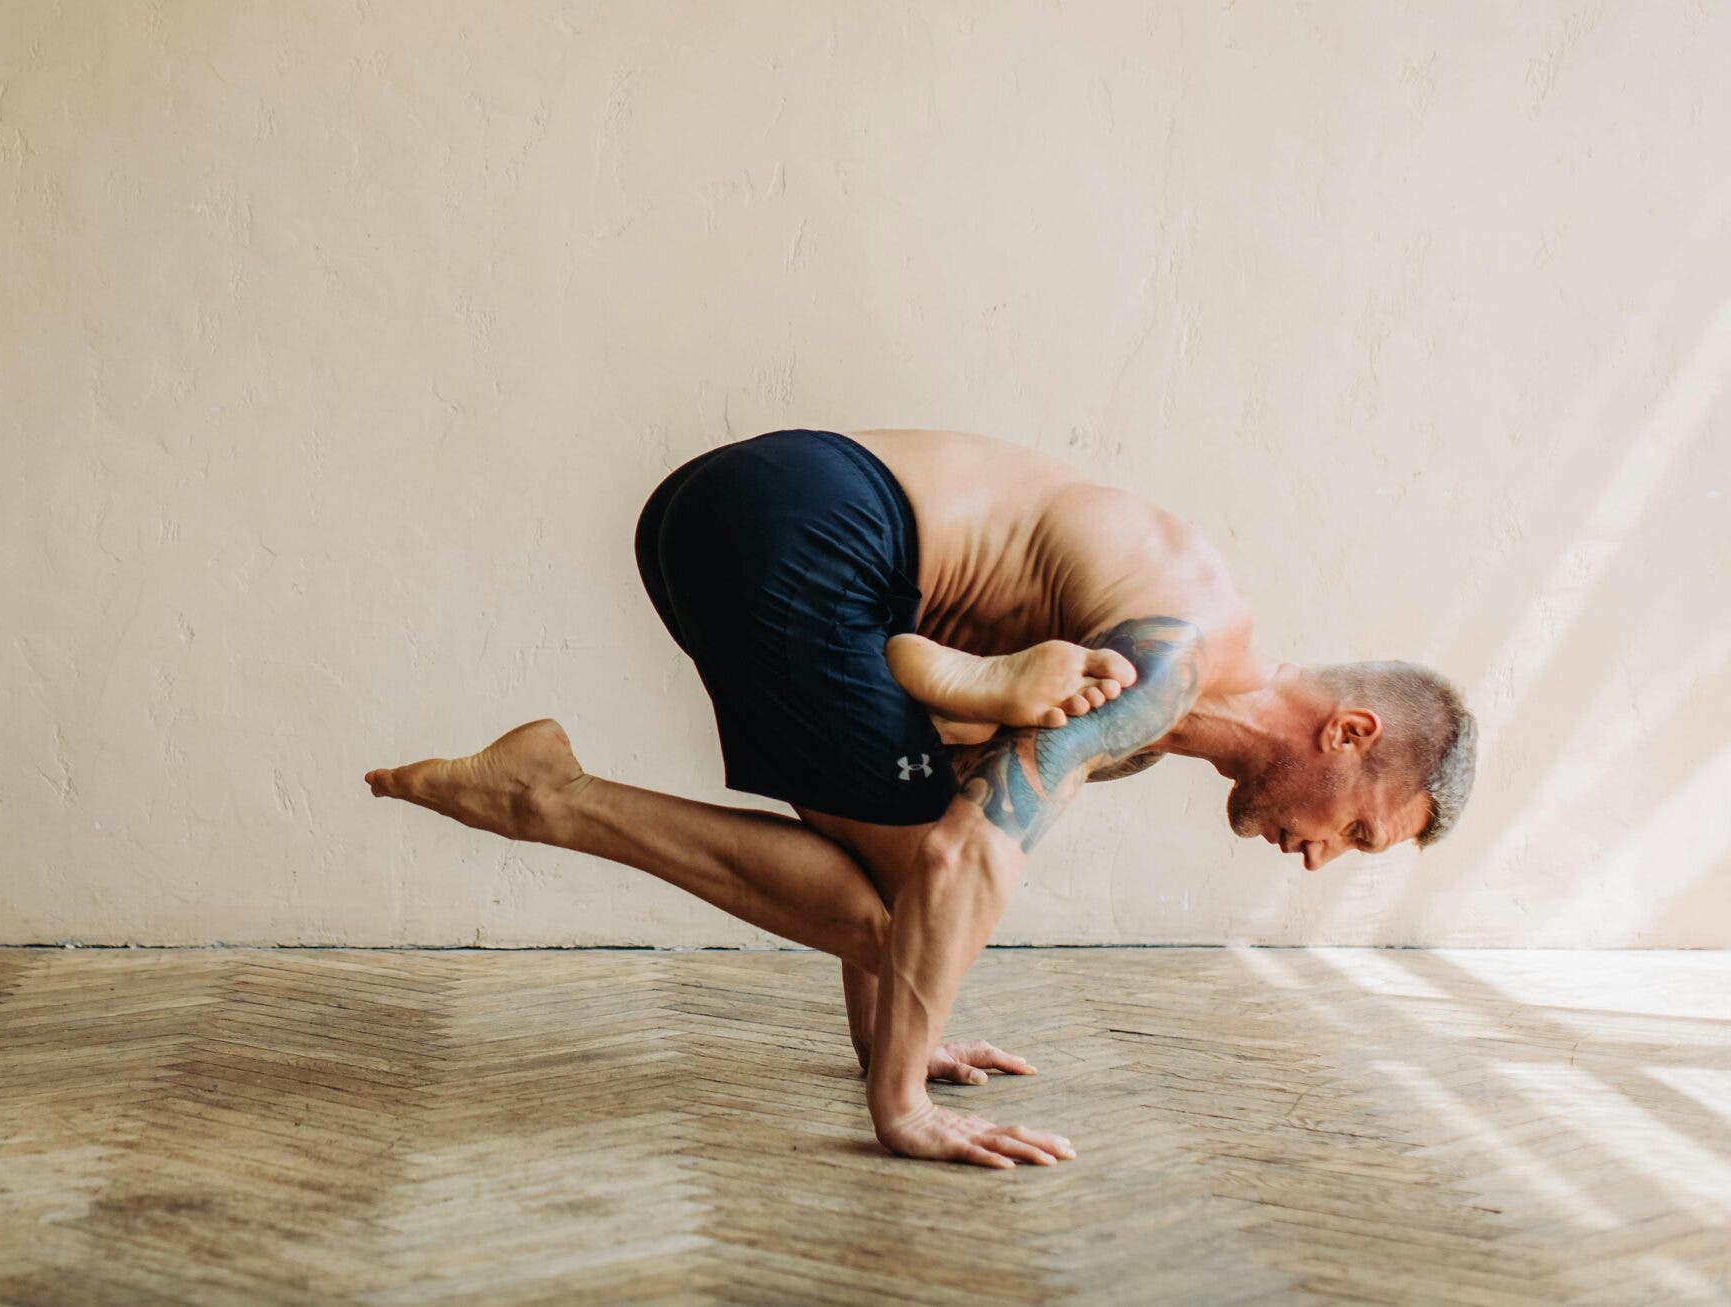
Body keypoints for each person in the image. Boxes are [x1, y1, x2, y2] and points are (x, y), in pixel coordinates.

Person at [365, 426, 1480, 1169]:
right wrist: (903, 1108)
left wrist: (897, 1026)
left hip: (726, 515)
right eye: (1359, 832)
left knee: (890, 887)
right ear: (1347, 735)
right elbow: (956, 863)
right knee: (922, 898)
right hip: (816, 527)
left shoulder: (1134, 714)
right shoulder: (1167, 661)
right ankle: (550, 796)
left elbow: (890, 816)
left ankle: (546, 789)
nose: (1320, 858)